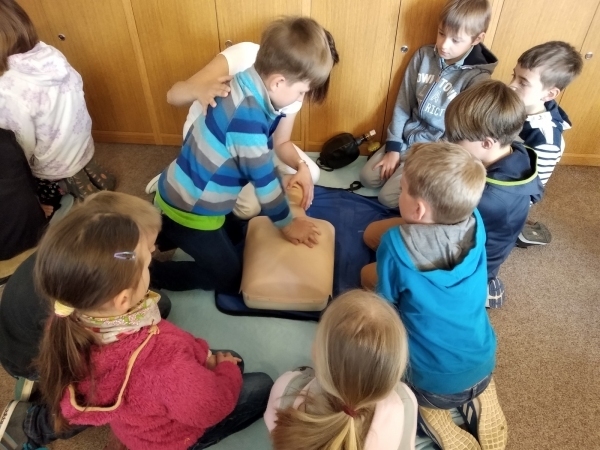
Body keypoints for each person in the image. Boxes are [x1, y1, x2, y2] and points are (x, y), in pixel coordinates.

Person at [0, 208, 273, 450]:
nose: (152, 257)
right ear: (122, 299)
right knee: (256, 382)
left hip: (133, 415)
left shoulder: (65, 321)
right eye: (146, 262)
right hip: (165, 437)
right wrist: (225, 371)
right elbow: (209, 408)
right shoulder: (163, 364)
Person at [150, 17, 335, 293]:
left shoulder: (247, 79)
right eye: (301, 92)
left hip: (190, 185)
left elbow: (267, 153)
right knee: (230, 278)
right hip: (191, 207)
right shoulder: (247, 120)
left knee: (240, 232)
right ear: (278, 82)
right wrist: (289, 225)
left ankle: (161, 231)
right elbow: (265, 182)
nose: (300, 99)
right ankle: (151, 272)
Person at [361, 142, 506, 450]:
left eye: (402, 189)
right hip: (483, 363)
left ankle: (434, 417)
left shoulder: (395, 245)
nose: (399, 193)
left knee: (365, 276)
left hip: (431, 385)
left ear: (418, 209)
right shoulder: (475, 220)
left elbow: (384, 306)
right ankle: (478, 394)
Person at [359, 0, 497, 208]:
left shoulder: (477, 79)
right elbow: (403, 103)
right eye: (441, 33)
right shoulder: (423, 56)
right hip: (407, 138)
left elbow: (460, 135)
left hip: (434, 152)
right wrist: (393, 147)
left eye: (455, 40)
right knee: (367, 178)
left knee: (387, 199)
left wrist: (418, 161)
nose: (444, 45)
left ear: (477, 39)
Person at [0, 0, 115, 218]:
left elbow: (19, 145)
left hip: (53, 161)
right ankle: (91, 178)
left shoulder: (8, 86)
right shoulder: (48, 52)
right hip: (80, 141)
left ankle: (59, 193)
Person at [264, 290, 418, 450]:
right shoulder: (405, 402)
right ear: (395, 370)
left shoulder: (287, 389)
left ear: (317, 352)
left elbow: (274, 429)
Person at [445, 79, 544, 307]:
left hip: (470, 267)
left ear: (488, 143)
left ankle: (478, 291)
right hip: (488, 249)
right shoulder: (517, 152)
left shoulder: (487, 197)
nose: (451, 143)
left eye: (457, 139)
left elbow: (446, 233)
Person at [507, 41, 583, 247]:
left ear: (549, 94)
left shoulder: (546, 141)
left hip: (510, 195)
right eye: (513, 75)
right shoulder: (519, 105)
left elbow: (532, 191)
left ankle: (518, 231)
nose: (511, 84)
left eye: (523, 82)